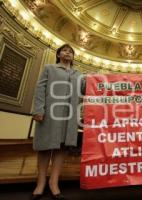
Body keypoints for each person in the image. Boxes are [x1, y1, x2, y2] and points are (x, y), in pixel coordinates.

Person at [32, 44, 84, 200]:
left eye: (70, 51)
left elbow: (87, 88)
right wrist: (38, 109)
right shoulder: (50, 68)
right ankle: (40, 183)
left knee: (62, 147)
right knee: (45, 147)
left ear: (73, 57)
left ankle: (54, 183)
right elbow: (40, 89)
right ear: (59, 54)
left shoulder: (78, 74)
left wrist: (100, 79)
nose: (67, 53)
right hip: (50, 114)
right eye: (64, 50)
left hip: (69, 116)